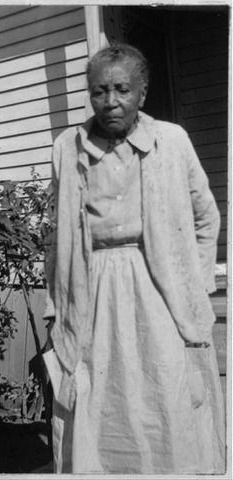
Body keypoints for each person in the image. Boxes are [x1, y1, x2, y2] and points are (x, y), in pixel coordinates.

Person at [42, 43, 225, 474]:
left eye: (121, 89)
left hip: (156, 287)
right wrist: (55, 304)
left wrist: (196, 284)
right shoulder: (67, 148)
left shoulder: (172, 141)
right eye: (99, 91)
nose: (110, 102)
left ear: (142, 93)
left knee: (163, 386)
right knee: (94, 388)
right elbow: (55, 236)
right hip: (91, 287)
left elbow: (206, 216)